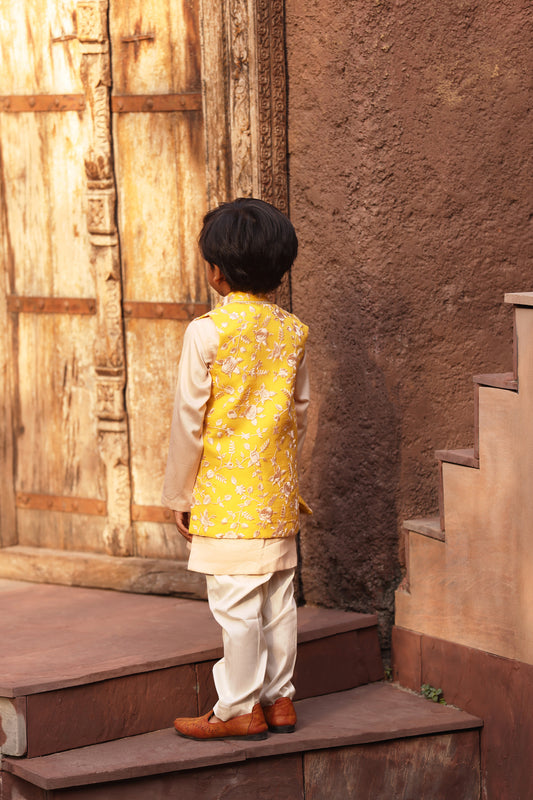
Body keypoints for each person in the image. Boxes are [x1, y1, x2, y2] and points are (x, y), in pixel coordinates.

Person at [162, 197, 310, 741]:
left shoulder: (207, 332)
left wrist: (181, 493)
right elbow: (297, 411)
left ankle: (238, 709)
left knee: (235, 604)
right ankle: (280, 701)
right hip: (275, 493)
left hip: (226, 499)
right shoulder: (293, 331)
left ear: (218, 270)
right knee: (278, 599)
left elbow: (188, 420)